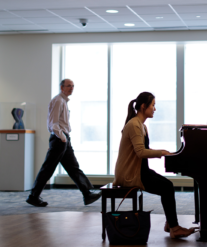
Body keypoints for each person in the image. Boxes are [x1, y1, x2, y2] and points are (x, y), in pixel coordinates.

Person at [113, 92, 197, 239]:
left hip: (140, 170)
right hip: (131, 174)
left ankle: (171, 224)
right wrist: (162, 152)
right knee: (167, 188)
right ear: (143, 106)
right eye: (153, 105)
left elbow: (141, 151)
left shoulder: (141, 126)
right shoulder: (134, 124)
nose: (154, 109)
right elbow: (140, 152)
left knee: (168, 185)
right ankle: (174, 227)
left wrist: (163, 153)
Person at [26, 79, 101, 207]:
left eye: (73, 86)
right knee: (48, 168)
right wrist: (62, 137)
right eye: (68, 86)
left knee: (73, 167)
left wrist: (65, 137)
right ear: (62, 87)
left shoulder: (63, 101)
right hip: (59, 139)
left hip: (63, 138)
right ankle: (33, 196)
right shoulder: (58, 101)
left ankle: (87, 194)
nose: (71, 88)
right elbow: (53, 123)